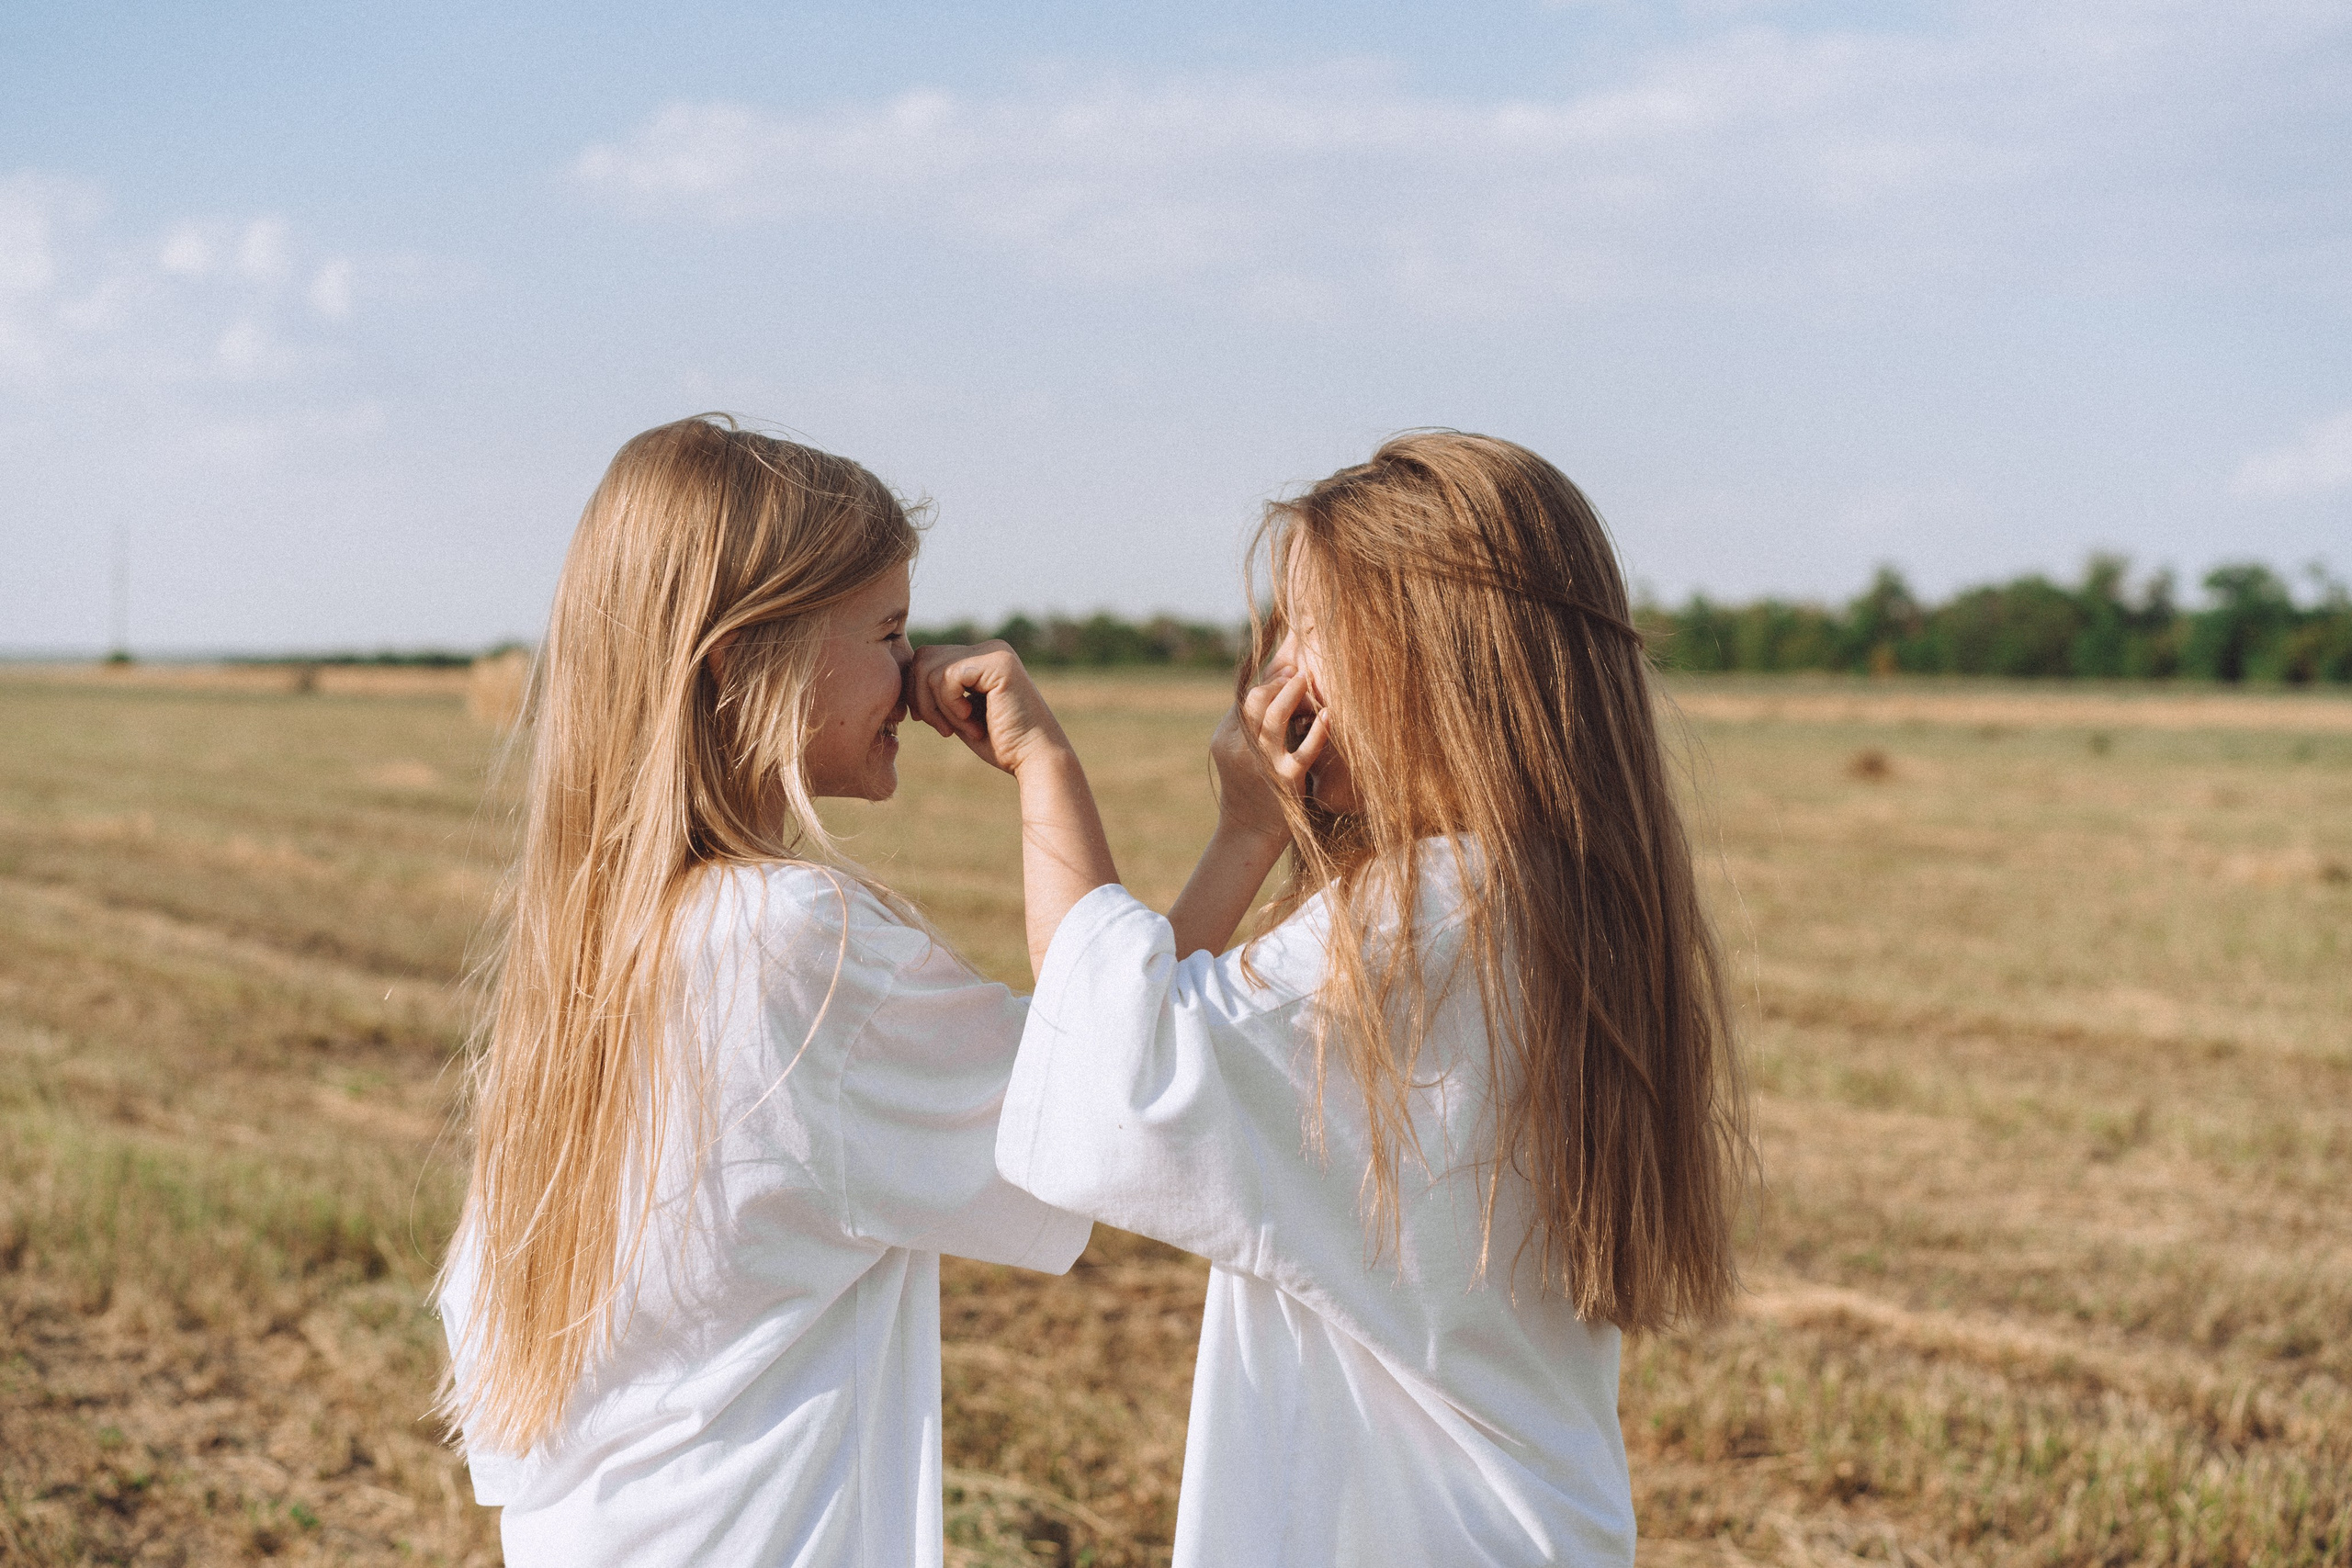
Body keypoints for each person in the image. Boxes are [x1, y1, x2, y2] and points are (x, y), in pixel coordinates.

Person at [910, 431, 1751, 1566]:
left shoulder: (1435, 912)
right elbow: (1150, 1029)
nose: (1280, 672)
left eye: (1313, 627)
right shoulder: (1546, 896)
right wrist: (1255, 828)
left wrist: (1043, 769)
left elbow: (1111, 1074)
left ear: (1427, 653)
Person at [435, 416, 1091, 1568]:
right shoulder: (791, 941)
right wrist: (1056, 772)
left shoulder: (597, 957)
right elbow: (1111, 1098)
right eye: (888, 631)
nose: (916, 670)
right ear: (743, 655)